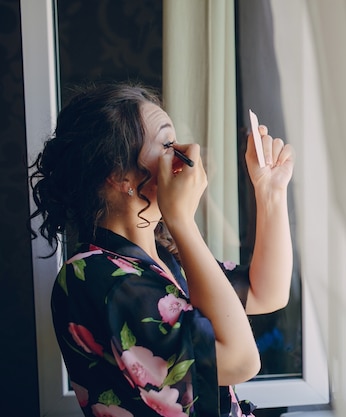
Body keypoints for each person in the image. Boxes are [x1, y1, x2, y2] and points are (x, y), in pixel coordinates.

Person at [29, 83, 295, 417]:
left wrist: (270, 192)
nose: (187, 151)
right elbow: (240, 361)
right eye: (168, 144)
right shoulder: (97, 277)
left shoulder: (162, 255)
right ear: (118, 175)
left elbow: (265, 292)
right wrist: (181, 219)